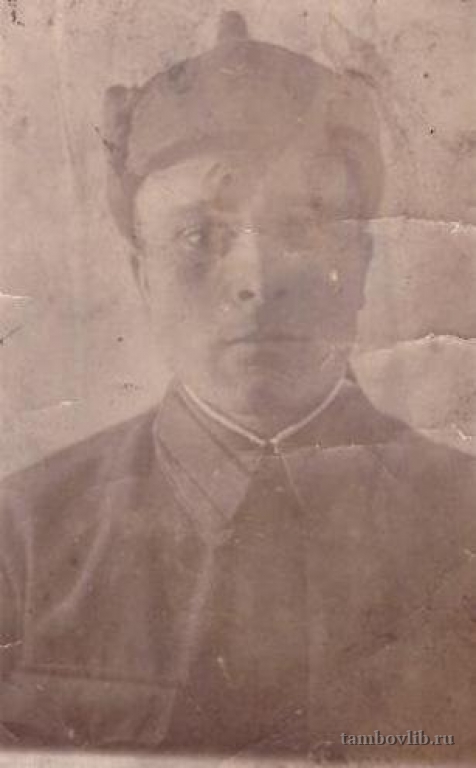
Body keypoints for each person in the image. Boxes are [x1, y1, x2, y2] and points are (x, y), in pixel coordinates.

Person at [0, 11, 475, 762]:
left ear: (361, 264)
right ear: (142, 274)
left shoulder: (464, 520)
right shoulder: (23, 539)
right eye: (200, 235)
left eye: (304, 228)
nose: (257, 280)